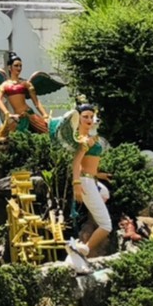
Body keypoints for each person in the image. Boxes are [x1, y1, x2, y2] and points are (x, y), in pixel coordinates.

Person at [68, 103, 111, 257]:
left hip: (91, 180)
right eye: (85, 117)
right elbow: (76, 163)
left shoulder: (90, 138)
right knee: (106, 225)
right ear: (78, 119)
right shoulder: (82, 140)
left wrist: (99, 175)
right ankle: (84, 250)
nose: (89, 120)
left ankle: (82, 249)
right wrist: (76, 184)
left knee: (105, 195)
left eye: (91, 117)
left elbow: (88, 164)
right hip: (85, 182)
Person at [0, 53, 50, 134]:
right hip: (18, 118)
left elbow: (36, 102)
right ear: (9, 67)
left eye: (20, 66)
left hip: (29, 115)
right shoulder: (4, 85)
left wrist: (45, 115)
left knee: (48, 132)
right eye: (16, 65)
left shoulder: (26, 84)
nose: (19, 68)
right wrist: (7, 113)